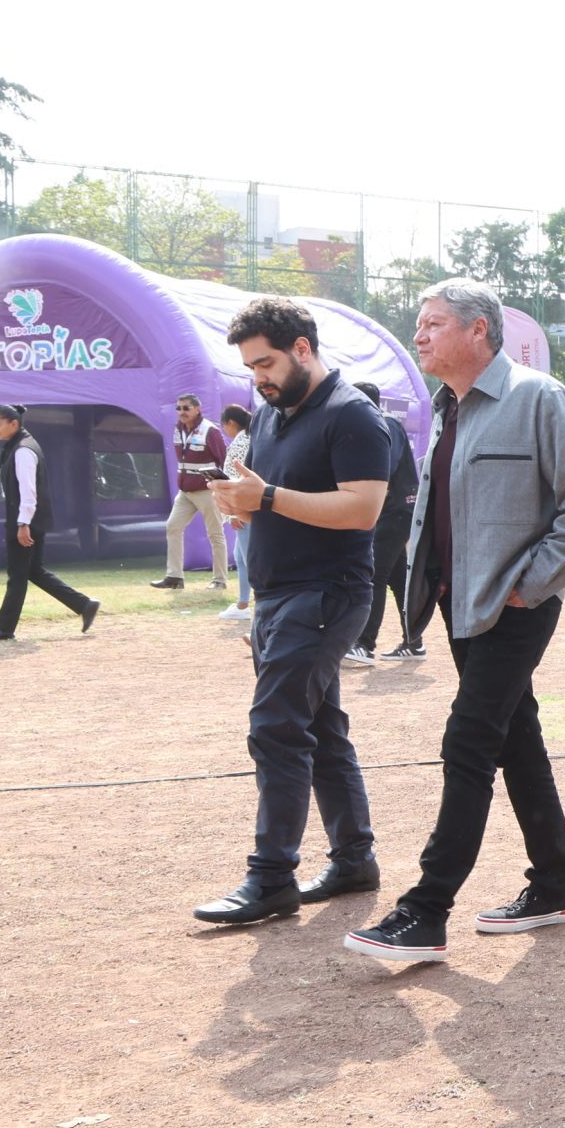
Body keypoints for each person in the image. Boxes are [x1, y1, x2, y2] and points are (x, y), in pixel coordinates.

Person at [345, 279, 565, 962]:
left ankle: (425, 910)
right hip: (458, 604)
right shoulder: (447, 408)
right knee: (516, 739)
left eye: (433, 323)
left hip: (514, 606)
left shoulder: (539, 398)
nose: (419, 335)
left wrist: (531, 584)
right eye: (419, 324)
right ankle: (554, 884)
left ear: (478, 331)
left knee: (468, 741)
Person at [191, 299, 393, 927]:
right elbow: (273, 498)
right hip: (279, 596)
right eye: (250, 367)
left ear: (303, 348)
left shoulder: (352, 415)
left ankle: (271, 878)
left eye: (266, 363)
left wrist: (269, 497)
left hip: (327, 595)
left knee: (276, 727)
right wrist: (243, 503)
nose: (258, 378)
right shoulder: (269, 415)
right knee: (321, 730)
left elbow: (363, 509)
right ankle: (354, 861)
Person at [0, 405, 98, 641]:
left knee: (17, 576)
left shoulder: (23, 450)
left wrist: (23, 524)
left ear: (13, 424)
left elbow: (29, 492)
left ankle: (4, 628)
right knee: (33, 571)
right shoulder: (20, 446)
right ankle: (84, 605)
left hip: (26, 522)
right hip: (29, 520)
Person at [349, 382, 421, 667]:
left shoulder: (385, 425)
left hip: (397, 510)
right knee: (396, 579)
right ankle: (414, 642)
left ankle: (364, 645)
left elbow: (383, 468)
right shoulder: (382, 424)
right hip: (393, 510)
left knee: (374, 576)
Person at [153, 393, 231, 591]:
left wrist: (222, 488)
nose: (181, 412)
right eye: (178, 408)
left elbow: (224, 459)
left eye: (186, 408)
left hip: (206, 490)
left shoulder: (210, 430)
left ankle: (219, 580)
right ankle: (174, 577)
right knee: (173, 527)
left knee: (215, 534)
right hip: (186, 491)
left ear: (197, 409)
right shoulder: (178, 429)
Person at [218, 405, 255, 621]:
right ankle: (242, 603)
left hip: (243, 507)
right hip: (247, 505)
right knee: (241, 557)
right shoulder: (249, 438)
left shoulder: (241, 442)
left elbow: (236, 479)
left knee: (249, 559)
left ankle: (262, 602)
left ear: (231, 423)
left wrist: (234, 513)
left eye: (224, 426)